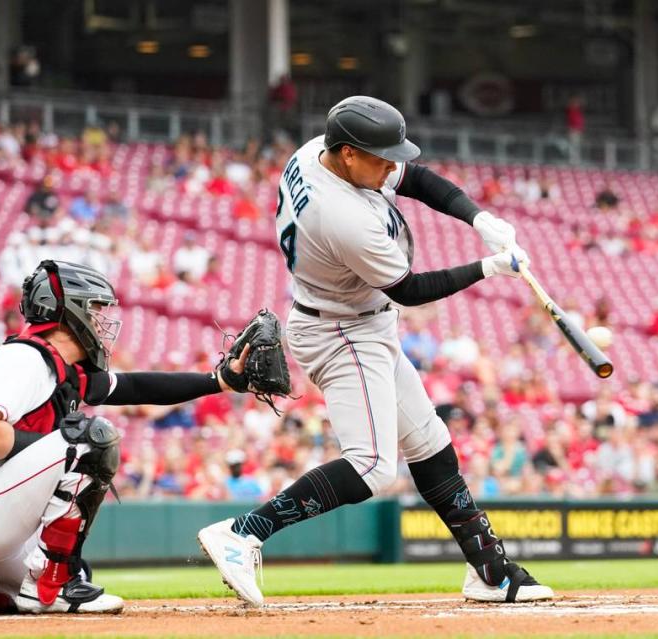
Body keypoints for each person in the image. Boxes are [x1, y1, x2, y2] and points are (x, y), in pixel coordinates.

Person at [197, 95, 552, 607]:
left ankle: (489, 571)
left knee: (430, 442)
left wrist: (477, 218)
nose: (392, 165)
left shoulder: (320, 150)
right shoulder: (342, 216)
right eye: (381, 157)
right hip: (342, 330)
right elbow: (407, 289)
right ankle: (244, 532)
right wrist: (487, 267)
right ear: (347, 154)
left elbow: (416, 179)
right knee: (372, 467)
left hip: (358, 320)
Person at [0, 260, 255, 615]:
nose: (98, 320)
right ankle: (54, 586)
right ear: (67, 310)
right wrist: (62, 450)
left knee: (76, 570)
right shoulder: (23, 359)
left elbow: (135, 386)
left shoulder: (54, 367)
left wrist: (219, 380)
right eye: (92, 309)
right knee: (88, 441)